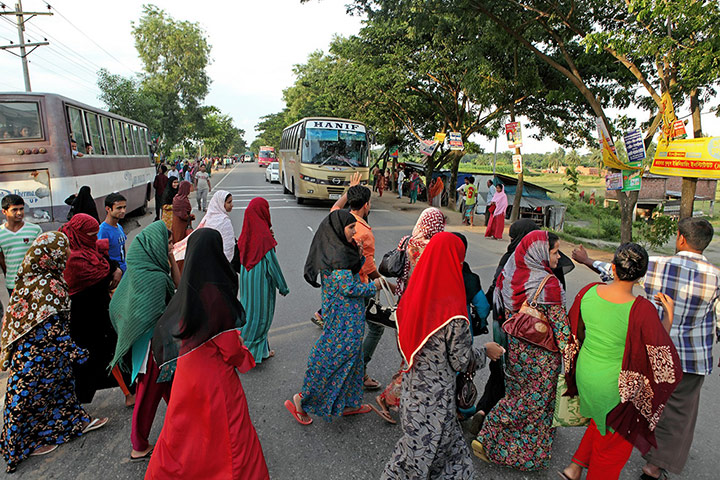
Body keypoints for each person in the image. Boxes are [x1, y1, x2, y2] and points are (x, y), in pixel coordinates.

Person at [572, 217, 719, 480]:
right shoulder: (716, 277)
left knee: (630, 408)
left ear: (680, 238)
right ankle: (654, 466)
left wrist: (588, 261)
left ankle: (577, 465)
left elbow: (619, 270)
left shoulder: (655, 268)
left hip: (638, 360)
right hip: (692, 357)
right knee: (678, 415)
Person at [146, 229, 268, 479]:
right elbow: (230, 347)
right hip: (214, 382)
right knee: (228, 436)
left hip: (187, 378)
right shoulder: (214, 294)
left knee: (183, 435)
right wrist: (245, 356)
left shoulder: (186, 290)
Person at [381, 232, 504, 479]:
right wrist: (486, 352)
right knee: (414, 462)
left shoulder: (412, 297)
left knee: (442, 454)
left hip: (412, 390)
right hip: (435, 400)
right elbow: (461, 359)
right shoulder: (452, 310)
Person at [559, 243, 681, 480]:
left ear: (613, 268)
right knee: (612, 447)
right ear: (641, 276)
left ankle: (574, 467)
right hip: (616, 389)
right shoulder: (641, 309)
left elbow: (576, 332)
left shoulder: (589, 291)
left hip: (586, 376)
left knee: (602, 423)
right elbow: (660, 359)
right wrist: (669, 318)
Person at [0, 232, 108, 473]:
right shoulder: (47, 284)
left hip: (46, 359)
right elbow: (53, 328)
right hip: (35, 360)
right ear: (51, 255)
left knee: (59, 393)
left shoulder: (31, 278)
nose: (68, 254)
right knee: (25, 400)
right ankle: (20, 447)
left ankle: (71, 426)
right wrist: (76, 352)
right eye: (64, 250)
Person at [474, 230, 571, 471]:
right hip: (542, 357)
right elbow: (560, 328)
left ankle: (518, 454)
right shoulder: (549, 285)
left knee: (519, 396)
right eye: (555, 251)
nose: (559, 257)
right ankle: (489, 432)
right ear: (540, 252)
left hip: (516, 351)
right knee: (533, 404)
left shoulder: (511, 275)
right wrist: (571, 355)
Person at [285, 210, 379, 424]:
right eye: (351, 228)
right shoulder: (336, 255)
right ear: (338, 229)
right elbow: (349, 287)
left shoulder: (341, 248)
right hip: (341, 318)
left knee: (354, 359)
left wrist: (360, 253)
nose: (355, 232)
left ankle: (349, 402)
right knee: (332, 359)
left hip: (351, 317)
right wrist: (375, 286)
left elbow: (353, 271)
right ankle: (302, 399)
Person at [109, 221, 180, 461]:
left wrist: (170, 259)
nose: (171, 247)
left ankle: (186, 427)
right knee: (148, 395)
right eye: (167, 244)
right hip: (153, 349)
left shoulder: (138, 271)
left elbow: (116, 306)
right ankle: (139, 444)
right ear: (155, 247)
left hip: (146, 344)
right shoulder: (156, 279)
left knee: (171, 389)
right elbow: (177, 296)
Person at [374, 207, 447, 422]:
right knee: (416, 356)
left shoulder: (407, 241)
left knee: (410, 353)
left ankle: (399, 399)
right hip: (423, 308)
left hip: (404, 303)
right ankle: (390, 398)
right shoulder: (435, 247)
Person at [60, 214, 134, 406]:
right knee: (91, 356)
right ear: (80, 234)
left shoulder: (86, 247)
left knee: (113, 350)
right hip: (84, 314)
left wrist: (115, 268)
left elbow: (105, 262)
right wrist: (112, 272)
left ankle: (128, 392)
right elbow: (101, 272)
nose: (94, 239)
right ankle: (79, 402)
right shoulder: (72, 258)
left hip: (101, 308)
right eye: (90, 235)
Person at [237, 198, 289, 364]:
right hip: (261, 281)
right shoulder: (263, 236)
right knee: (261, 316)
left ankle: (260, 350)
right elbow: (272, 265)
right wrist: (283, 287)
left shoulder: (247, 231)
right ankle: (248, 353)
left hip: (247, 279)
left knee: (248, 311)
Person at [174, 190, 236, 263]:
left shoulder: (208, 218)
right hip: (220, 262)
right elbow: (228, 247)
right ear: (221, 203)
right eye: (229, 202)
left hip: (207, 260)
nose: (232, 205)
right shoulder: (224, 221)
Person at [0, 194, 43, 298]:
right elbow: (2, 260)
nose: (19, 213)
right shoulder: (1, 233)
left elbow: (42, 256)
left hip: (35, 283)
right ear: (4, 211)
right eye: (14, 210)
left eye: (21, 209)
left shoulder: (35, 230)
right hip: (13, 284)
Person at [98, 193, 128, 275]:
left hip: (124, 271)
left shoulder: (119, 227)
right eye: (119, 208)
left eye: (124, 207)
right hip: (114, 273)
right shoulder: (103, 231)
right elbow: (100, 257)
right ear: (108, 209)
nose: (123, 211)